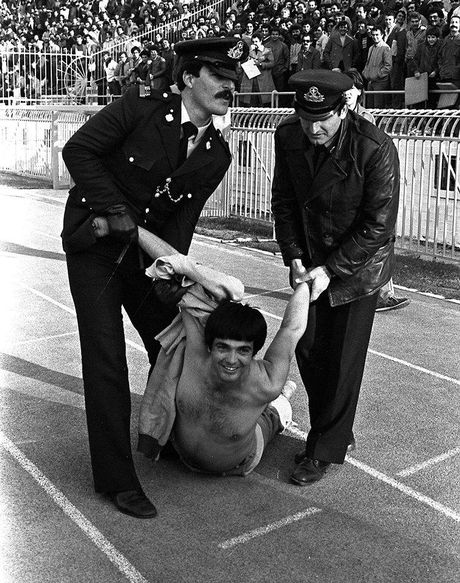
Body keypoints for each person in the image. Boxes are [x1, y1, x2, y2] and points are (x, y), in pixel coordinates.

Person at [61, 37, 247, 519]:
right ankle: (116, 479)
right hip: (97, 248)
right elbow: (78, 151)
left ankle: (168, 435)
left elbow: (182, 220)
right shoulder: (140, 108)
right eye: (219, 76)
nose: (229, 86)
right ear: (188, 78)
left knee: (173, 343)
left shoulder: (217, 154)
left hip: (147, 258)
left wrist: (175, 271)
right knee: (107, 359)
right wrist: (114, 209)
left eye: (233, 79)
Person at [271, 70, 400, 485]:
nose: (314, 129)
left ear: (343, 109)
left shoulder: (374, 147)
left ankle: (323, 449)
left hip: (357, 269)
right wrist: (293, 255)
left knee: (343, 361)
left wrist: (332, 270)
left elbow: (378, 225)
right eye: (306, 118)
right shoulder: (288, 136)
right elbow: (284, 201)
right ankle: (336, 430)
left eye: (323, 119)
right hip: (309, 263)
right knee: (308, 349)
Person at [170, 281, 311, 477]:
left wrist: (304, 284)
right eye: (223, 347)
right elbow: (187, 290)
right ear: (209, 346)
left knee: (274, 414)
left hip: (240, 462)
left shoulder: (267, 382)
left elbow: (291, 329)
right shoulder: (196, 354)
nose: (231, 360)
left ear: (254, 352)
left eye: (243, 350)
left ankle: (281, 400)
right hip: (182, 456)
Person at [343, 69, 410, 312]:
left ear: (360, 91)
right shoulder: (335, 115)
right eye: (345, 89)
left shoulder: (366, 117)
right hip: (346, 186)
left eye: (353, 89)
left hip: (365, 184)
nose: (348, 93)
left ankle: (383, 294)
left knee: (379, 237)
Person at [362, 25, 392, 108]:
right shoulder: (371, 48)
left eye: (377, 35)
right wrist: (365, 73)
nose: (375, 37)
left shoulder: (385, 48)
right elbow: (368, 63)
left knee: (378, 106)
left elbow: (388, 66)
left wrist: (377, 75)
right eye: (373, 35)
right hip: (371, 81)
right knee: (369, 106)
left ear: (382, 35)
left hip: (380, 82)